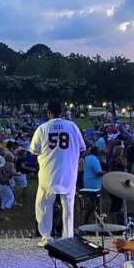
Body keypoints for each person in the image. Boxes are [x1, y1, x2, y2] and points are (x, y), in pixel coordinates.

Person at [29, 100, 86, 246]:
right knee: (68, 205)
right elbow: (82, 148)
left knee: (44, 204)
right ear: (62, 112)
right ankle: (68, 237)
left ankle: (46, 237)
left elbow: (34, 151)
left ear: (48, 112)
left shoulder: (42, 128)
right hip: (68, 171)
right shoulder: (72, 126)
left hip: (48, 171)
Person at [81, 146, 105, 224]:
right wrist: (106, 173)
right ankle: (86, 219)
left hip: (87, 183)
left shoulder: (87, 158)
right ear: (96, 152)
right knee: (94, 203)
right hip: (93, 185)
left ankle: (99, 219)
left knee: (95, 203)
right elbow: (98, 172)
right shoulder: (94, 160)